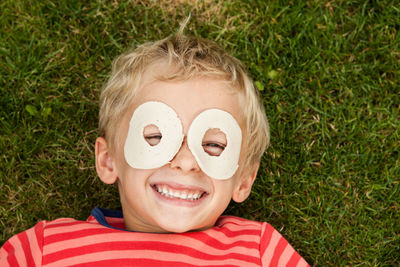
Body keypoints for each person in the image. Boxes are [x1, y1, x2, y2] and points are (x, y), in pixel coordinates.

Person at [0, 22, 309, 266]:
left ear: (244, 180)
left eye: (214, 145)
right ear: (108, 161)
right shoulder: (47, 247)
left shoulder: (257, 249)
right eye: (156, 137)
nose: (186, 161)